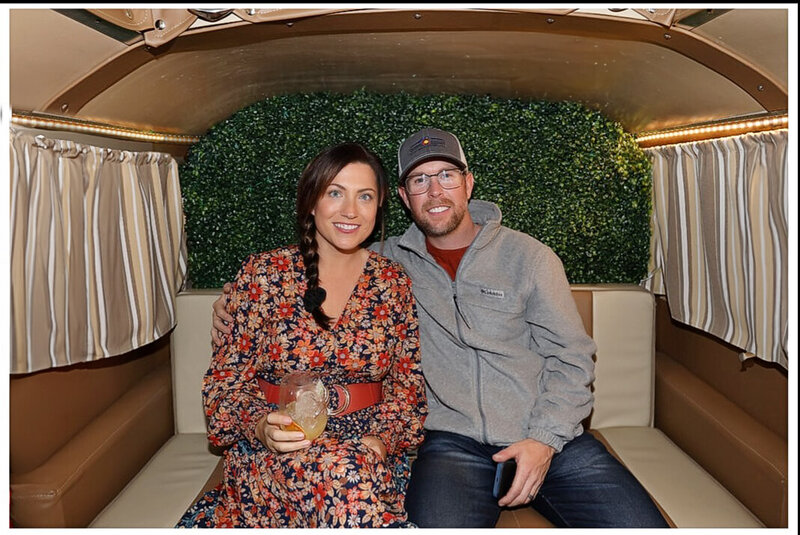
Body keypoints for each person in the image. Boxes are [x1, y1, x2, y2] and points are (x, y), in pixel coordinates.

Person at [212, 128, 668, 528]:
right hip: (453, 446)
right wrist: (230, 303)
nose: (435, 191)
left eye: (447, 175)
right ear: (406, 198)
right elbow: (310, 269)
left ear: (468, 183)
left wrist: (544, 441)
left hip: (553, 438)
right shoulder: (392, 263)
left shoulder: (528, 258)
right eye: (419, 180)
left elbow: (571, 358)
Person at [180, 142, 427, 528]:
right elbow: (223, 387)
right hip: (278, 446)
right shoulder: (264, 274)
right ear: (311, 202)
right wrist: (262, 425)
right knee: (345, 476)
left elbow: (408, 388)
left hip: (366, 450)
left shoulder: (392, 282)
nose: (350, 211)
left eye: (365, 196)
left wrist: (382, 439)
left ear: (379, 207)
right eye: (335, 193)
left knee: (348, 472)